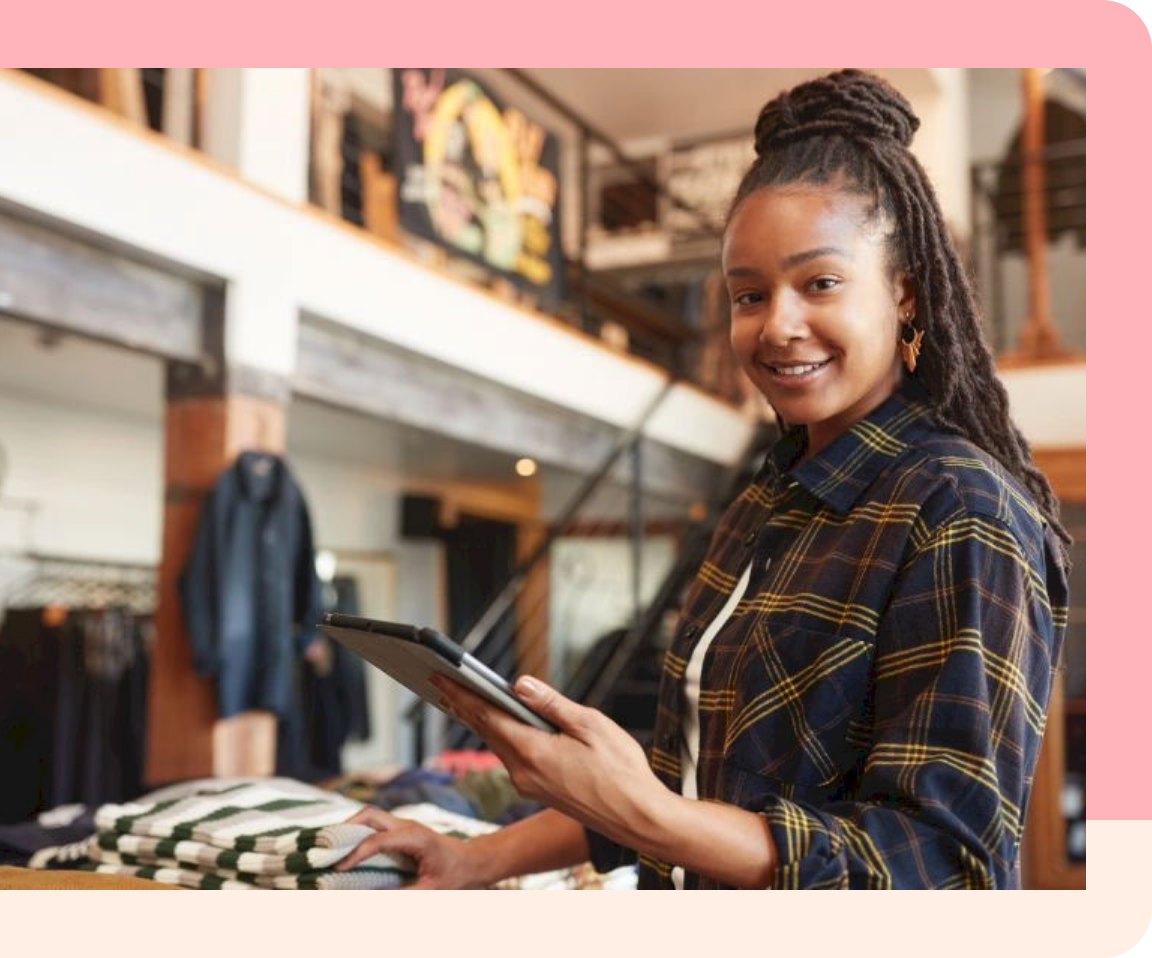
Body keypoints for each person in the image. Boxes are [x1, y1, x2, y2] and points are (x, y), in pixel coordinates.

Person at [335, 69, 1072, 890]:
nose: (778, 325)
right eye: (748, 294)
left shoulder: (960, 511)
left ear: (905, 292)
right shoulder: (764, 504)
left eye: (820, 282)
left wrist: (647, 814)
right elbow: (685, 774)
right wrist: (477, 857)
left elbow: (944, 869)